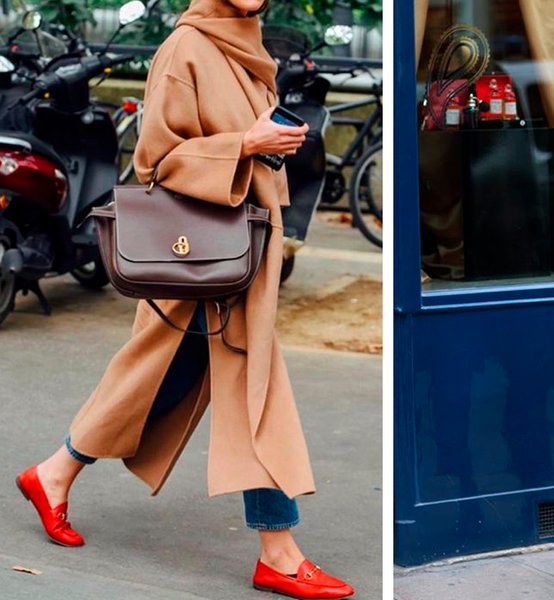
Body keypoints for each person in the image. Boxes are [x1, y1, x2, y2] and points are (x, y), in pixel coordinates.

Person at [14, 1, 355, 598]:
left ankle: (54, 472)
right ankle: (278, 552)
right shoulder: (186, 48)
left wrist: (268, 144)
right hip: (197, 252)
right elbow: (155, 161)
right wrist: (245, 143)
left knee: (159, 380)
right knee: (248, 390)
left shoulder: (248, 46)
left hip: (237, 251)